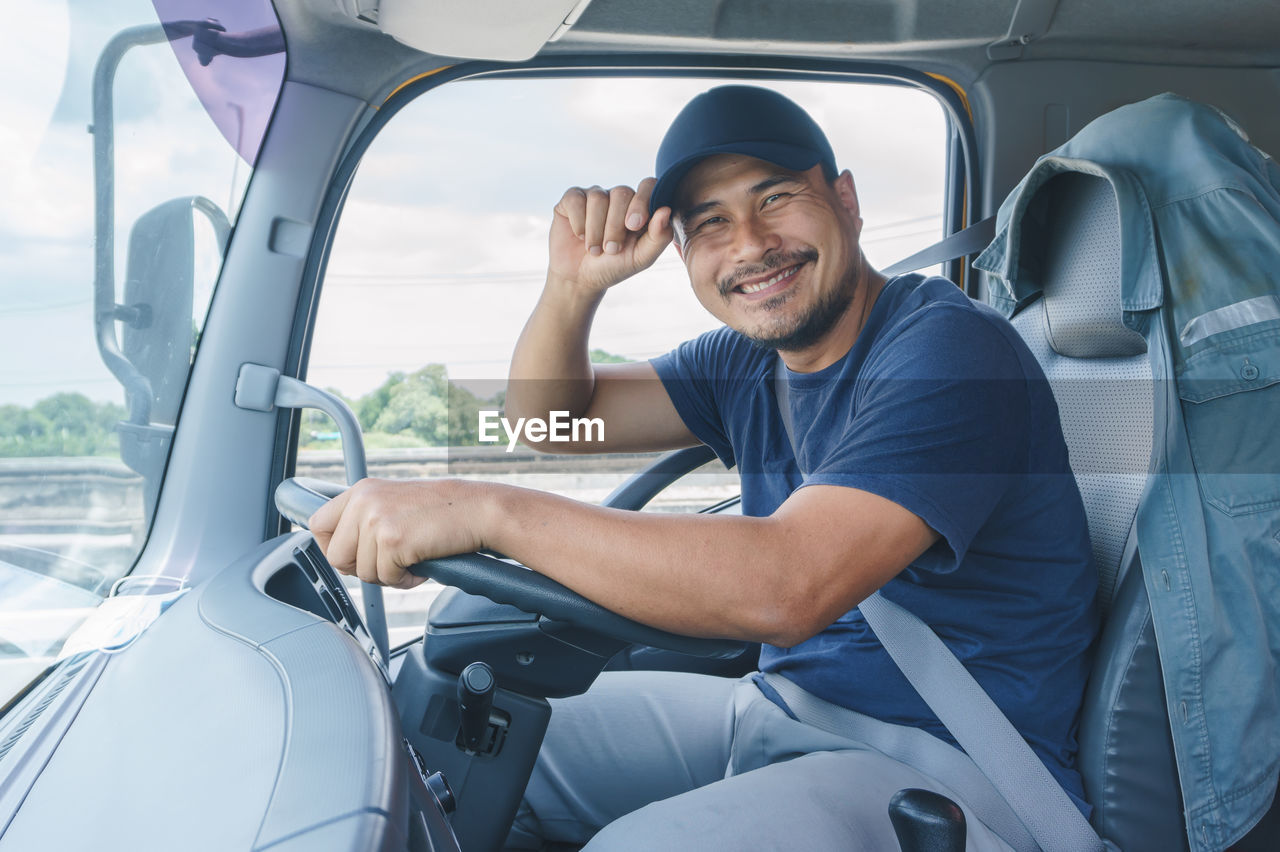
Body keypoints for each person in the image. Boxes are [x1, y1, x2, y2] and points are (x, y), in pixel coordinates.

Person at [310, 85, 1098, 850]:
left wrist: (488, 511)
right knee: (443, 753)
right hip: (782, 708)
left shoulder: (950, 352)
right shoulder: (747, 363)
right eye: (711, 222)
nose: (751, 245)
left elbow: (789, 586)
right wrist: (573, 287)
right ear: (682, 252)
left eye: (777, 197)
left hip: (947, 768)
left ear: (848, 201)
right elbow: (546, 420)